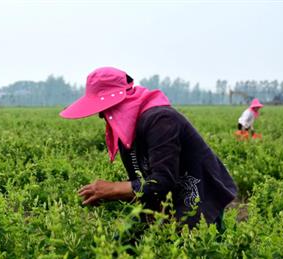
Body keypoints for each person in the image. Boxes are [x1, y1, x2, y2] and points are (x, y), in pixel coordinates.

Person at [60, 67, 237, 228]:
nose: (100, 115)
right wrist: (108, 195)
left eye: (103, 109)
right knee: (129, 246)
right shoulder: (126, 130)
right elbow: (142, 181)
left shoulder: (161, 120)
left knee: (197, 252)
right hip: (168, 197)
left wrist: (112, 189)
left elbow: (162, 180)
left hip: (199, 194)